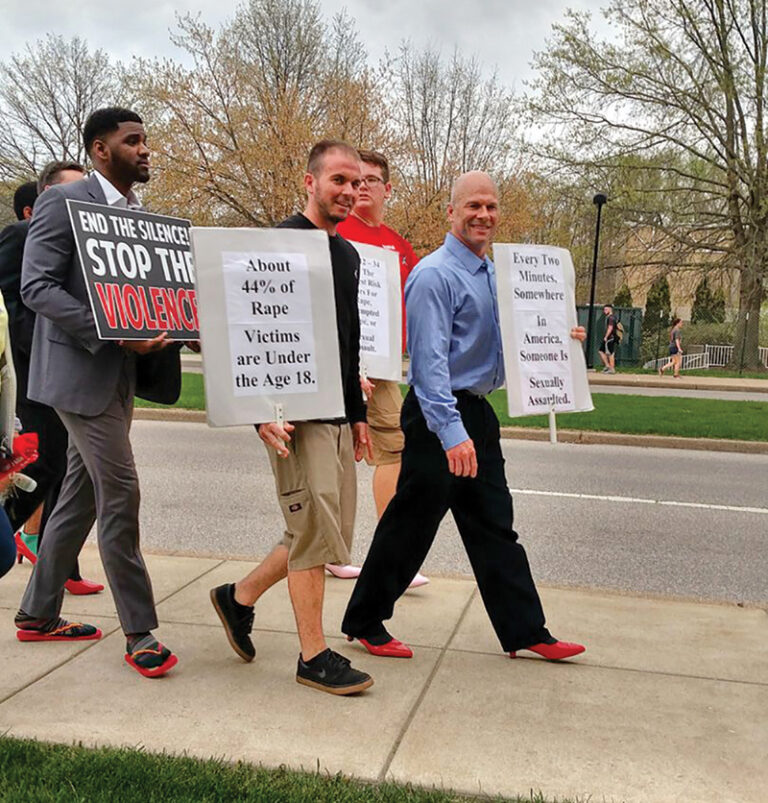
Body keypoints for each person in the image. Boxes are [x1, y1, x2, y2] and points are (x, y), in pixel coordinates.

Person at [341, 171, 587, 662]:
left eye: (491, 207)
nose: (484, 215)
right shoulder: (435, 275)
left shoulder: (495, 274)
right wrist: (452, 435)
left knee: (495, 525)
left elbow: (509, 344)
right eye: (473, 206)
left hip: (476, 413)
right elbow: (429, 368)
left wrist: (561, 340)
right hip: (438, 419)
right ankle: (365, 621)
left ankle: (526, 630)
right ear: (451, 212)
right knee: (411, 525)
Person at [14, 107, 182, 679]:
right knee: (122, 492)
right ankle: (140, 632)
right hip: (77, 375)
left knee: (80, 498)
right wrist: (109, 330)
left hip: (122, 377)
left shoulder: (137, 215)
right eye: (132, 141)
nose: (144, 149)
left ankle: (37, 614)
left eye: (145, 140)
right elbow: (36, 286)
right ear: (99, 149)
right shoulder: (64, 202)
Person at [210, 140, 374, 696]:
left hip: (335, 414)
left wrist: (357, 416)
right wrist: (259, 415)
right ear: (310, 182)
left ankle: (238, 597)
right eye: (339, 181)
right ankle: (313, 656)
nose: (350, 192)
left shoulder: (347, 256)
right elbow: (247, 332)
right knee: (312, 531)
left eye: (357, 183)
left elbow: (347, 344)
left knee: (325, 531)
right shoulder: (276, 245)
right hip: (292, 417)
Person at [0, 165, 104, 596]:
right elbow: (12, 296)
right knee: (42, 464)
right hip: (31, 374)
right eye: (72, 187)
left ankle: (62, 566)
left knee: (66, 469)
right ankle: (11, 538)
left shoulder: (82, 245)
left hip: (71, 374)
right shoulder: (20, 236)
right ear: (39, 203)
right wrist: (36, 350)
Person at [333, 149, 428, 588]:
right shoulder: (336, 234)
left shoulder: (398, 245)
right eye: (357, 180)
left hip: (385, 369)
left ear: (388, 189)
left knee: (391, 451)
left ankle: (392, 558)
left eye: (372, 180)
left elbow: (419, 304)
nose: (363, 187)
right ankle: (334, 552)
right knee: (335, 457)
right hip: (341, 366)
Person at [598, 303, 617, 374]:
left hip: (610, 338)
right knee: (601, 351)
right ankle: (607, 366)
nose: (604, 311)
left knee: (610, 353)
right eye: (604, 309)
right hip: (610, 338)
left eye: (606, 309)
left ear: (610, 309)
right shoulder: (610, 317)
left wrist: (606, 336)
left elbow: (610, 328)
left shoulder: (611, 318)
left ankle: (612, 369)